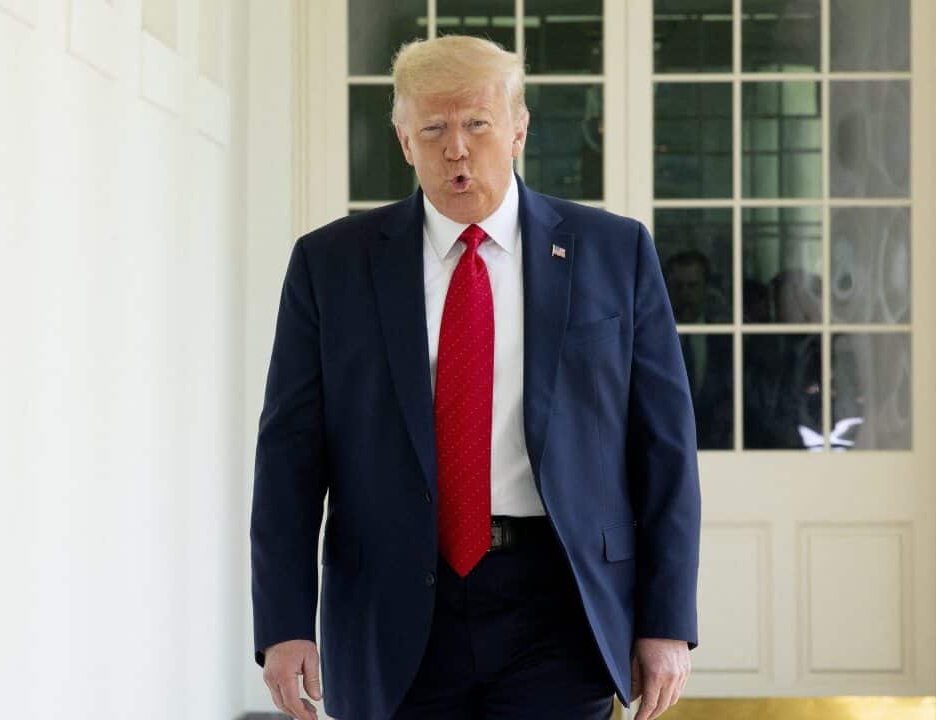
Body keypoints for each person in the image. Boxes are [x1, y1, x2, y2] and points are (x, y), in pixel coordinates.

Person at [251, 34, 701, 720]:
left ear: (518, 130)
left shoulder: (614, 252)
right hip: (391, 604)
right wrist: (284, 624)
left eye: (478, 125)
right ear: (404, 141)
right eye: (433, 129)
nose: (456, 149)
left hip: (560, 602)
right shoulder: (331, 265)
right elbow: (289, 456)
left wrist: (666, 620)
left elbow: (664, 447)